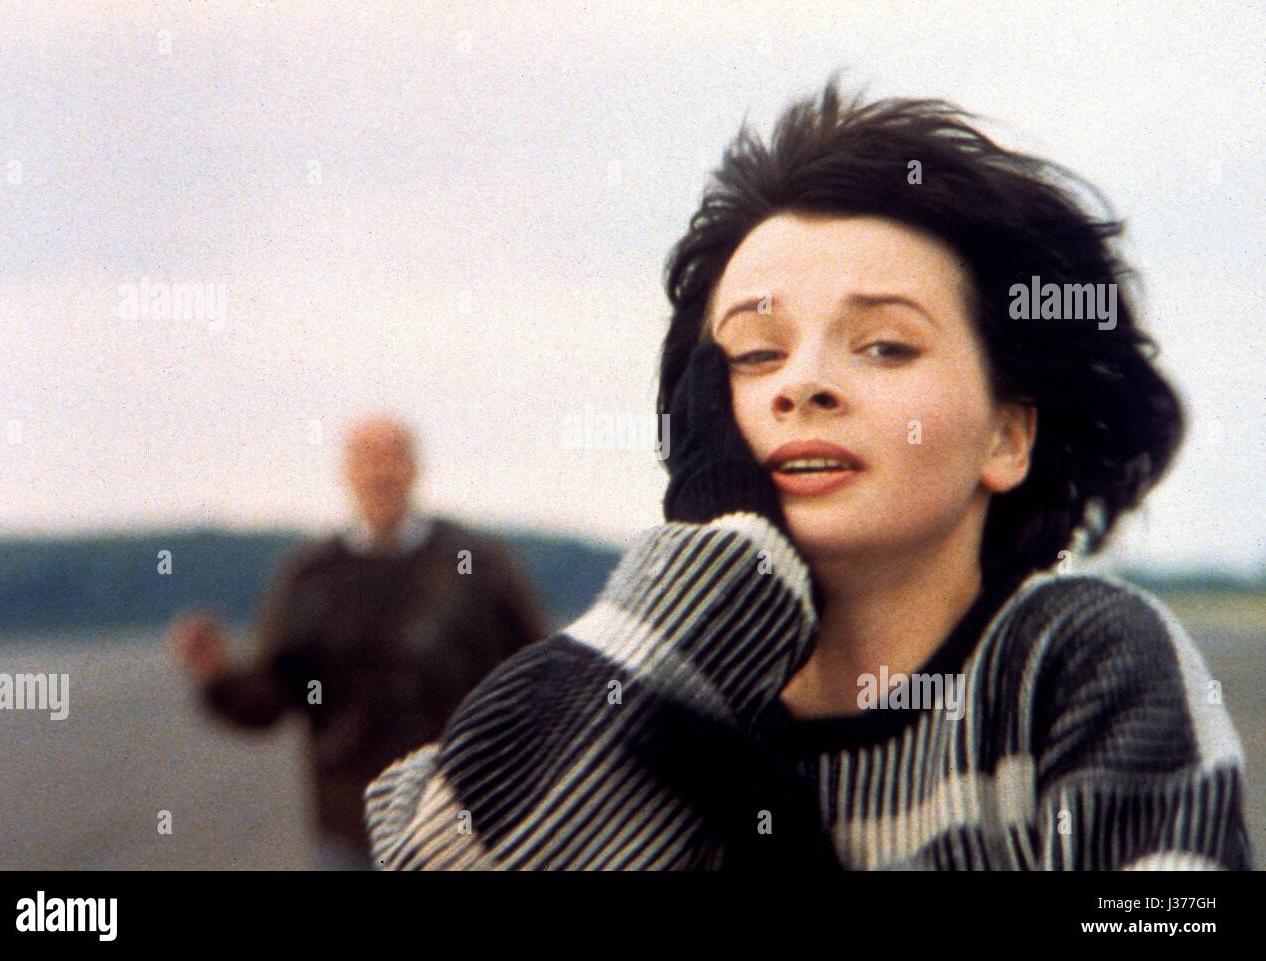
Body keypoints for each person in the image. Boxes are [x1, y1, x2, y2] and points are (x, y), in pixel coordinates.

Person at [363, 79, 1252, 870]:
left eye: (886, 344)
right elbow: (437, 854)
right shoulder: (643, 690)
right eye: (754, 352)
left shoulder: (1074, 659)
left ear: (1007, 436)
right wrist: (717, 566)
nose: (805, 382)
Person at [170, 413, 550, 869]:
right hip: (352, 829)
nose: (382, 473)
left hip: (462, 821)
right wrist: (215, 674)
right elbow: (272, 697)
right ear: (347, 472)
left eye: (394, 457)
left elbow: (535, 673)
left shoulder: (475, 564)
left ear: (414, 468)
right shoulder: (311, 576)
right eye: (369, 459)